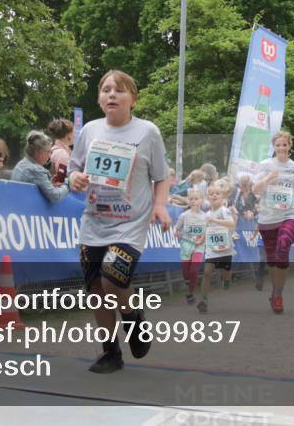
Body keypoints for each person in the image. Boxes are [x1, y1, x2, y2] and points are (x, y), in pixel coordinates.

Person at [66, 70, 170, 373]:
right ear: (99, 99)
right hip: (94, 223)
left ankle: (133, 319)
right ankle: (110, 352)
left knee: (114, 277)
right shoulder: (89, 131)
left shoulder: (148, 132)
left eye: (120, 90)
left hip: (130, 223)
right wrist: (75, 178)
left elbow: (161, 176)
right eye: (106, 90)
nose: (112, 94)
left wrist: (160, 205)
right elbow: (73, 169)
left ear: (133, 100)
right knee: (96, 288)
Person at [252, 131, 294, 314]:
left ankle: (278, 294)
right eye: (278, 145)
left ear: (289, 146)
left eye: (284, 144)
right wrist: (269, 178)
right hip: (268, 217)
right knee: (272, 258)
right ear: (274, 147)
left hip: (290, 213)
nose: (281, 148)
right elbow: (255, 189)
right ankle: (274, 290)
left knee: (283, 245)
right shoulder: (266, 165)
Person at [198, 179, 236, 314]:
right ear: (208, 197)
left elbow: (231, 223)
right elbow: (205, 230)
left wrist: (214, 220)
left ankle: (227, 280)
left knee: (226, 273)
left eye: (217, 194)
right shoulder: (207, 214)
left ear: (223, 197)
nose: (214, 196)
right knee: (207, 272)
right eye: (211, 194)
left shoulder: (224, 211)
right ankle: (203, 300)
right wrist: (200, 240)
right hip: (211, 249)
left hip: (225, 248)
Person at [11, 130, 69, 203]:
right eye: (49, 152)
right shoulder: (36, 170)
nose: (50, 155)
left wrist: (50, 183)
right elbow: (55, 196)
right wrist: (68, 184)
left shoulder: (22, 163)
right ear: (40, 152)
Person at [174, 188, 207, 305]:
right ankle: (189, 283)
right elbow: (177, 228)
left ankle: (190, 293)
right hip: (186, 244)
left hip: (199, 246)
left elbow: (207, 231)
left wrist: (202, 239)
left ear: (202, 200)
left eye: (196, 199)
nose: (194, 201)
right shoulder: (184, 215)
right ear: (188, 201)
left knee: (194, 270)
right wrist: (176, 232)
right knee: (186, 272)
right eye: (191, 199)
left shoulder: (205, 216)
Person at [46, 118, 74, 185]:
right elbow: (61, 181)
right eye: (73, 132)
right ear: (69, 135)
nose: (74, 135)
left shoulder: (54, 150)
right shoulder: (62, 154)